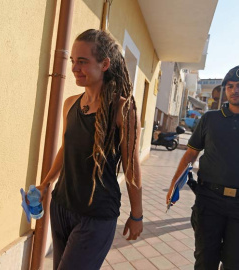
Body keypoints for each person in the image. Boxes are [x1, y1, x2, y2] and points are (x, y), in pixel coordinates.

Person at [35, 29, 143, 270]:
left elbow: (131, 165)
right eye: (73, 61)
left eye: (82, 62)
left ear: (105, 64)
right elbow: (66, 147)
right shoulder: (70, 104)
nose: (74, 68)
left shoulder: (122, 110)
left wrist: (137, 214)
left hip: (96, 215)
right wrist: (46, 183)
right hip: (62, 206)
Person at [166, 65, 239, 270]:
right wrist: (174, 184)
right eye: (231, 86)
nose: (235, 90)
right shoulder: (210, 119)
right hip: (210, 202)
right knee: (205, 261)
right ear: (226, 90)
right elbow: (191, 153)